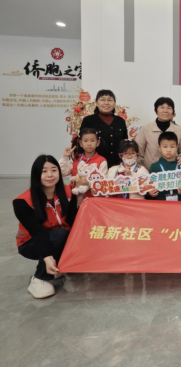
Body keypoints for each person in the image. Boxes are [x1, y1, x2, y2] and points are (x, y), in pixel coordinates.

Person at [14, 155, 80, 299]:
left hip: (58, 236)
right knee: (59, 235)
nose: (50, 175)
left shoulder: (68, 192)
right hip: (31, 244)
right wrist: (47, 257)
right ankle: (39, 278)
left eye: (54, 170)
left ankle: (58, 266)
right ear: (36, 174)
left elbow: (74, 222)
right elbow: (38, 232)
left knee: (69, 234)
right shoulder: (23, 202)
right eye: (44, 171)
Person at [136, 97, 181, 171]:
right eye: (162, 107)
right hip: (151, 171)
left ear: (172, 111)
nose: (165, 111)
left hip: (173, 172)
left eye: (169, 108)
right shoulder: (146, 128)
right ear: (156, 110)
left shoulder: (178, 129)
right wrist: (143, 170)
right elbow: (139, 152)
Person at [80, 90, 128, 168]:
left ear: (114, 103)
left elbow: (125, 144)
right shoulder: (88, 120)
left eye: (110, 100)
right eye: (102, 100)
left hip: (117, 165)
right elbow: (83, 142)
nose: (106, 103)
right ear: (96, 103)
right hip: (95, 165)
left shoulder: (120, 121)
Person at [59, 128, 108, 202]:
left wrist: (84, 182)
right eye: (85, 141)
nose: (89, 144)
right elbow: (62, 172)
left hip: (94, 200)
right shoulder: (75, 158)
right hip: (74, 199)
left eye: (92, 140)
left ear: (98, 143)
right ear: (81, 143)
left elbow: (103, 182)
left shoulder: (102, 161)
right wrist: (65, 157)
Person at [146, 132, 181, 202]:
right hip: (160, 203)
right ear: (159, 148)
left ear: (177, 147)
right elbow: (148, 187)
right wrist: (149, 193)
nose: (169, 150)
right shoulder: (154, 166)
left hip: (180, 203)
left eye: (172, 146)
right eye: (165, 147)